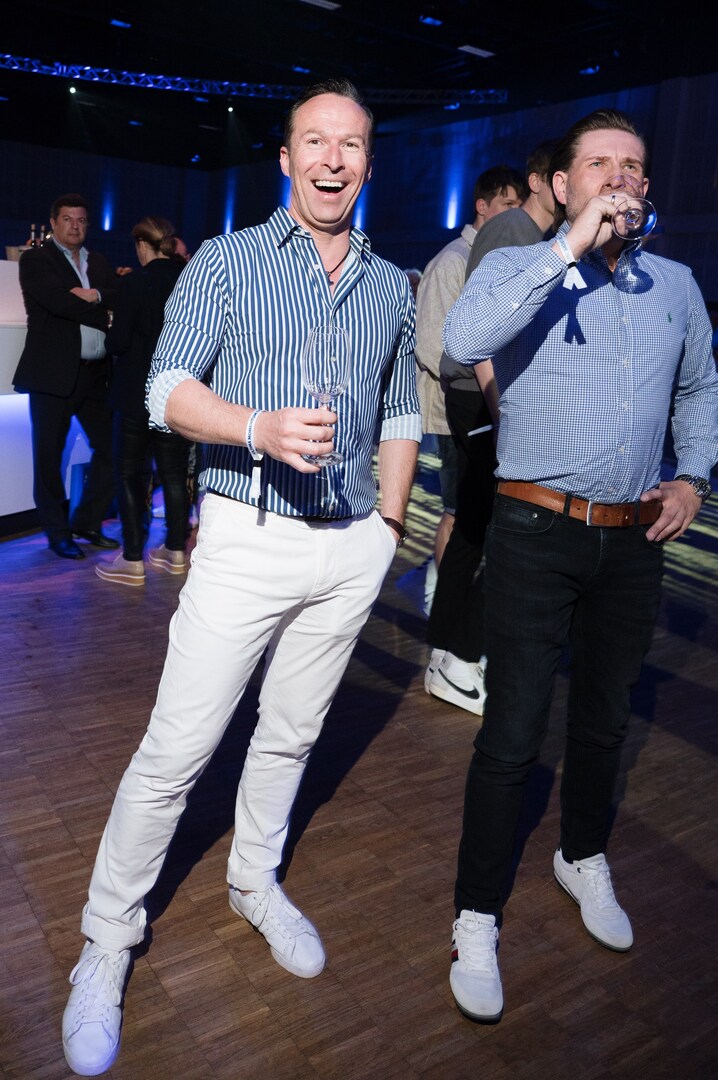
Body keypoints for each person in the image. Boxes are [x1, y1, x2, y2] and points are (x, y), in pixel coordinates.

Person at [61, 78, 421, 1076]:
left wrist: (387, 529)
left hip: (347, 547)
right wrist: (255, 427)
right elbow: (164, 389)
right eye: (316, 141)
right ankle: (107, 938)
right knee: (177, 750)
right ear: (286, 157)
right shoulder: (226, 261)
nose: (333, 159)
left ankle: (254, 881)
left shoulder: (389, 284)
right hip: (247, 537)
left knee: (292, 735)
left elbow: (401, 411)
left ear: (368, 161)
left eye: (352, 144)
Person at [442, 108, 718, 1022]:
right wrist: (567, 248)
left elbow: (701, 385)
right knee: (513, 731)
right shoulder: (521, 265)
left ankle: (582, 856)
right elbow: (462, 341)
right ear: (563, 186)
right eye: (599, 164)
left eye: (633, 166)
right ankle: (476, 915)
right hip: (535, 529)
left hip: (634, 539)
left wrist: (694, 476)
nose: (620, 178)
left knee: (604, 722)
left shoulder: (676, 284)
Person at [426, 141, 557, 714]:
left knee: (474, 526)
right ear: (544, 181)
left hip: (484, 399)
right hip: (482, 399)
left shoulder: (530, 235)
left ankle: (448, 650)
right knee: (492, 529)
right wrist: (502, 411)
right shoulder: (513, 232)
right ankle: (456, 655)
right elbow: (478, 331)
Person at [414, 166, 526, 625]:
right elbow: (432, 344)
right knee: (458, 512)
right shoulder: (453, 260)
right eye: (507, 205)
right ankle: (445, 606)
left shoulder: (491, 256)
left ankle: (450, 605)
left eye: (519, 205)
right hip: (453, 411)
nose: (515, 214)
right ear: (482, 206)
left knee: (472, 513)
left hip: (478, 407)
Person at [13, 194, 120, 559]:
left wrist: (96, 294)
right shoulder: (36, 259)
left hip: (96, 376)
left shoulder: (98, 261)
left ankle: (87, 522)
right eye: (68, 219)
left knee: (113, 450)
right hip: (51, 376)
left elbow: (119, 294)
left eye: (82, 220)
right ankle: (57, 533)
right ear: (54, 223)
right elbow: (57, 302)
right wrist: (105, 313)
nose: (76, 226)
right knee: (49, 459)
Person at [96, 216, 190, 587]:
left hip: (135, 393)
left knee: (129, 474)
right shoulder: (188, 279)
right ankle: (176, 551)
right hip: (176, 395)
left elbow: (117, 342)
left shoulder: (134, 282)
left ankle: (133, 559)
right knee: (173, 474)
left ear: (141, 245)